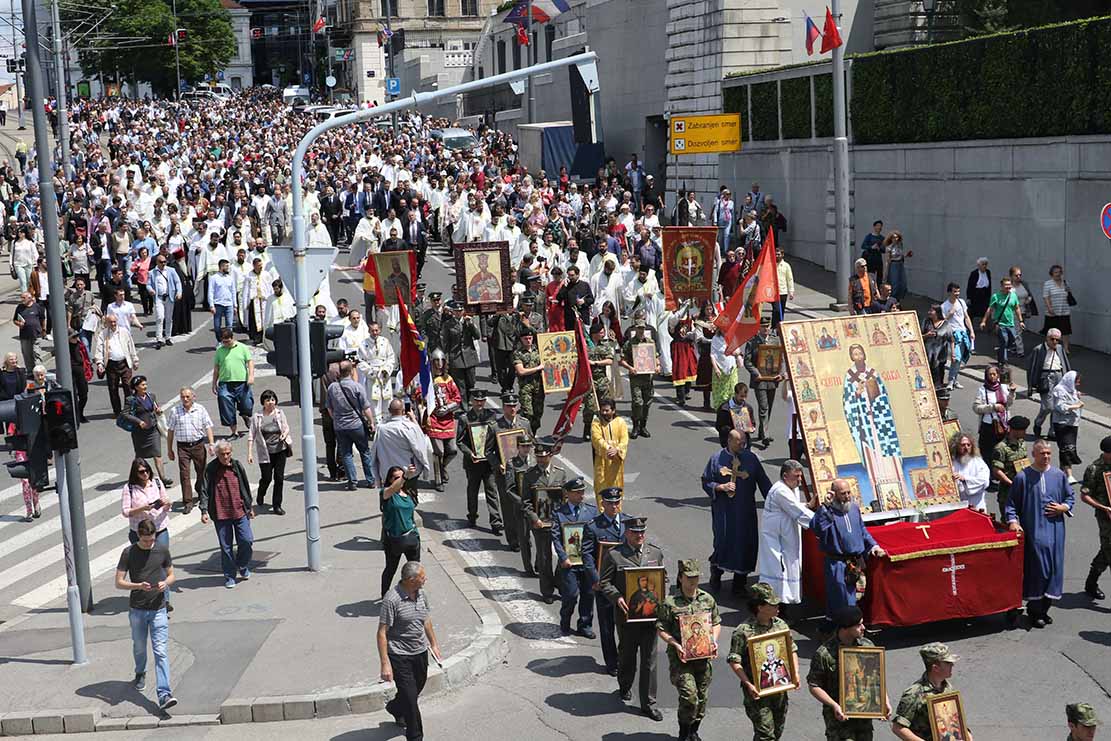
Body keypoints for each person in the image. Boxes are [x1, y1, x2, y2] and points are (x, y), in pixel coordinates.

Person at [597, 514, 664, 718]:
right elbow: (604, 582)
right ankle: (625, 686)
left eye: (642, 532)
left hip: (650, 618)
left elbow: (662, 581)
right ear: (626, 533)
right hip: (626, 618)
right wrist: (617, 597)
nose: (639, 536)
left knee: (649, 661)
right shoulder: (614, 555)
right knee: (627, 657)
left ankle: (648, 703)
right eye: (635, 533)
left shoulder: (655, 553)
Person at [1005, 438, 1074, 629]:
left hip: (1057, 531)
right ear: (1033, 455)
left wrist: (1063, 507)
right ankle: (1035, 612)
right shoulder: (1023, 477)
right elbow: (1011, 504)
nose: (1046, 457)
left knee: (1054, 569)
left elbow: (1070, 496)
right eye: (1042, 453)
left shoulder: (1059, 475)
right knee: (1038, 569)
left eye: (1048, 453)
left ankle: (1044, 609)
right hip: (1034, 531)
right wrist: (1013, 521)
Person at [115, 519, 177, 712]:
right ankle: (140, 672)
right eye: (145, 541)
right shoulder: (129, 553)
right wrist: (137, 586)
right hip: (138, 609)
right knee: (140, 646)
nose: (149, 544)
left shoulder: (161, 550)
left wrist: (165, 583)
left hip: (158, 608)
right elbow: (118, 582)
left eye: (151, 540)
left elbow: (172, 574)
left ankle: (164, 694)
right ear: (138, 536)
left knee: (160, 651)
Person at [656, 559, 721, 741]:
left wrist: (713, 642)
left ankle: (694, 731)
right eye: (689, 577)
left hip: (702, 657)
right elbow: (661, 628)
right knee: (689, 696)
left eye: (696, 577)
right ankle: (683, 734)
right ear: (680, 578)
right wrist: (676, 645)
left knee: (702, 698)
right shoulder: (670, 603)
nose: (693, 581)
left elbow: (716, 623)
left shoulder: (707, 600)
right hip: (681, 659)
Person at [702, 429, 773, 594]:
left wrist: (777, 500)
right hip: (724, 512)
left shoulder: (751, 459)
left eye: (744, 442)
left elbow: (764, 483)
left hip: (745, 511)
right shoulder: (716, 459)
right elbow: (706, 481)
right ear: (729, 441)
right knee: (723, 542)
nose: (743, 445)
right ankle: (716, 574)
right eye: (739, 443)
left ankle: (739, 584)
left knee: (746, 544)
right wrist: (720, 487)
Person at [378, 561, 443, 740]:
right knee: (412, 702)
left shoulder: (421, 594)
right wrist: (385, 664)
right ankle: (415, 737)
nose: (426, 579)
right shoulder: (392, 600)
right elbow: (382, 633)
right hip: (399, 655)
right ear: (410, 580)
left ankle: (395, 708)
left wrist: (434, 644)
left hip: (420, 652)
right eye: (422, 577)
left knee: (415, 689)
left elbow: (426, 619)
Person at [728, 582, 799, 741]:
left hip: (779, 689)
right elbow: (734, 660)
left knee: (777, 730)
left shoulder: (781, 625)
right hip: (757, 691)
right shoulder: (743, 631)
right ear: (760, 607)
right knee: (766, 734)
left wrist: (795, 673)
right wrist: (748, 683)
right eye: (772, 604)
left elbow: (791, 649)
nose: (777, 607)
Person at [807, 605, 890, 740]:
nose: (863, 628)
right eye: (858, 625)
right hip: (838, 720)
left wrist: (884, 701)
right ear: (845, 628)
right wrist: (834, 705)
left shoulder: (867, 646)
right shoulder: (824, 653)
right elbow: (814, 686)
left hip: (864, 718)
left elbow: (876, 678)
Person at [811, 479, 887, 621]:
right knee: (842, 602)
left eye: (848, 492)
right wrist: (825, 506)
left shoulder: (853, 508)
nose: (847, 496)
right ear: (834, 494)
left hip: (856, 563)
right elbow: (817, 528)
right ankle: (842, 634)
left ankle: (852, 631)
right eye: (842, 494)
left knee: (855, 600)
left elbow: (862, 531)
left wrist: (874, 546)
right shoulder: (828, 512)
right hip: (838, 565)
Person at [757, 460, 819, 609]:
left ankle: (782, 607)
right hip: (777, 538)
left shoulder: (790, 488)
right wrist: (823, 522)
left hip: (786, 535)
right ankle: (778, 609)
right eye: (796, 476)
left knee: (787, 569)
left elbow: (795, 506)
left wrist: (809, 505)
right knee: (780, 570)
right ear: (785, 476)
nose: (799, 480)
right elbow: (797, 511)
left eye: (800, 476)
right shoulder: (780, 490)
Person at [199, 441, 255, 589]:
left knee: (247, 540)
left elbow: (245, 486)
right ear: (217, 454)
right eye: (222, 454)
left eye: (228, 453)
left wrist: (249, 506)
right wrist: (204, 510)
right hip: (220, 513)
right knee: (226, 547)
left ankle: (242, 565)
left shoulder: (236, 465)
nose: (225, 456)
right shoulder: (211, 469)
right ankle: (230, 575)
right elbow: (204, 490)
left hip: (240, 510)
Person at [119, 458, 172, 610]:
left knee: (161, 563)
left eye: (147, 470)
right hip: (140, 532)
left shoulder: (156, 482)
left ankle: (164, 600)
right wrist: (142, 508)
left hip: (159, 528)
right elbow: (125, 511)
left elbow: (166, 501)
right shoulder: (129, 488)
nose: (145, 474)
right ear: (135, 473)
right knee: (144, 566)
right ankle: (145, 594)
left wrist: (167, 503)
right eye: (142, 472)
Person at [583, 486, 625, 675]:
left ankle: (626, 658)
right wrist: (596, 579)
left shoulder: (628, 523)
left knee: (626, 625)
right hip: (603, 584)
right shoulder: (593, 526)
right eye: (610, 503)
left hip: (625, 583)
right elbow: (587, 556)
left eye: (617, 502)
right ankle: (612, 662)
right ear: (603, 504)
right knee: (607, 626)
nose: (614, 506)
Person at [891, 643, 970, 741]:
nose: (952, 665)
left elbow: (954, 720)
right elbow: (898, 728)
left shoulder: (948, 688)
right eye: (948, 663)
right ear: (935, 668)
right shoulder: (914, 693)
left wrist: (967, 735)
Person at [520, 437, 566, 602]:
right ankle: (547, 591)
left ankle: (559, 582)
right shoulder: (530, 475)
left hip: (558, 522)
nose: (540, 460)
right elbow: (525, 502)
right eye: (538, 456)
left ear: (550, 456)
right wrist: (534, 518)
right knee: (544, 558)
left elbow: (565, 499)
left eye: (543, 457)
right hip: (540, 524)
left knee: (565, 555)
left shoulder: (560, 473)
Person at [552, 477, 598, 638]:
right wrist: (563, 557)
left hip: (587, 563)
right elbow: (556, 538)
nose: (581, 495)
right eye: (577, 492)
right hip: (569, 564)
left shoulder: (592, 511)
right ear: (568, 493)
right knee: (571, 595)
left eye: (582, 492)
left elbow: (597, 537)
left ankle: (584, 625)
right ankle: (565, 620)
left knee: (588, 594)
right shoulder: (559, 513)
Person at [325, 360, 377, 490]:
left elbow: (329, 408)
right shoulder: (357, 387)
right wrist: (371, 422)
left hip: (340, 427)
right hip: (356, 425)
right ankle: (370, 480)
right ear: (351, 371)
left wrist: (336, 419)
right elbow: (366, 408)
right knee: (365, 452)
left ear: (339, 372)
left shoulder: (332, 388)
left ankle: (352, 482)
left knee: (346, 454)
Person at [165, 387, 215, 514]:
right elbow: (170, 431)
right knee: (184, 474)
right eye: (183, 397)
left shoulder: (200, 409)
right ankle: (187, 501)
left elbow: (208, 426)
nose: (185, 399)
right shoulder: (175, 411)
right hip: (183, 447)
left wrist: (211, 444)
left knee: (202, 472)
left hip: (198, 445)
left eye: (187, 396)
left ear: (193, 397)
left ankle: (202, 492)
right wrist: (169, 449)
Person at [456, 389, 500, 531]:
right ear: (472, 402)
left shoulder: (492, 415)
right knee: (472, 491)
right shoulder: (465, 418)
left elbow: (497, 437)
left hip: (488, 461)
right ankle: (472, 516)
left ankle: (496, 521)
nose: (479, 403)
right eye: (476, 400)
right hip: (473, 462)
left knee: (492, 491)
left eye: (482, 401)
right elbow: (460, 441)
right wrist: (470, 454)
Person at [372, 398, 432, 501]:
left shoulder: (381, 429)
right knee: (409, 501)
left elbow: (374, 455)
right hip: (408, 473)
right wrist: (426, 468)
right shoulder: (409, 427)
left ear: (389, 410)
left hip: (388, 474)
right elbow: (420, 447)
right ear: (403, 411)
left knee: (390, 502)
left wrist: (377, 477)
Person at [247, 389, 293, 515]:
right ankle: (261, 493)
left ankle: (277, 505)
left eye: (273, 400)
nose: (271, 402)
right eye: (268, 400)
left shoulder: (279, 413)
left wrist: (284, 434)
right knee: (266, 478)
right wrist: (250, 453)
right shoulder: (257, 417)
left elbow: (286, 426)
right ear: (263, 402)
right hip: (265, 454)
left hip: (280, 451)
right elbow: (251, 435)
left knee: (279, 478)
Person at [121, 376, 173, 486]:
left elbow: (155, 408)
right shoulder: (131, 400)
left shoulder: (151, 396)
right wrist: (138, 421)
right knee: (140, 457)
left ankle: (163, 478)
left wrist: (158, 411)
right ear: (136, 387)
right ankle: (136, 477)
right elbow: (125, 414)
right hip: (139, 433)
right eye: (143, 385)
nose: (145, 386)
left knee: (157, 454)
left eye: (145, 384)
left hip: (153, 430)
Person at [380, 465, 421, 597]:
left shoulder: (408, 493)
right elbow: (392, 489)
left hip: (411, 538)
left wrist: (416, 533)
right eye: (397, 478)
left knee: (415, 570)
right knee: (391, 569)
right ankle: (385, 596)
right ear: (391, 480)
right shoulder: (386, 493)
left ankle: (415, 595)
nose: (402, 480)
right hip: (394, 540)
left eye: (402, 476)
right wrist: (404, 476)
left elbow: (411, 515)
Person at [621, 308, 659, 439]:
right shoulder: (629, 343)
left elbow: (656, 357)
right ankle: (636, 426)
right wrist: (630, 367)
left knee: (647, 402)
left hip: (648, 377)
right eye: (638, 328)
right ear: (635, 328)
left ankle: (643, 426)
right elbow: (622, 360)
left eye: (642, 328)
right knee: (638, 402)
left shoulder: (650, 343)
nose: (641, 331)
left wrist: (657, 366)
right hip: (636, 377)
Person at [1080, 436, 1111, 601]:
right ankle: (1091, 582)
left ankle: (1091, 582)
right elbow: (1084, 496)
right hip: (1106, 517)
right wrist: (1103, 507)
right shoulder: (1094, 469)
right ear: (1107, 453)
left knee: (1107, 550)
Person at [93, 313, 139, 417]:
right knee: (113, 388)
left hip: (124, 363)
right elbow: (99, 350)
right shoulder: (103, 334)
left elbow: (131, 346)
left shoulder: (124, 332)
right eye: (111, 322)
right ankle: (117, 411)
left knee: (128, 386)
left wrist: (135, 360)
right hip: (111, 365)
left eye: (114, 322)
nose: (113, 324)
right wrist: (100, 363)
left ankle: (129, 410)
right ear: (107, 323)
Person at [744, 318, 781, 448]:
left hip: (772, 380)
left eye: (767, 326)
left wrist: (780, 374)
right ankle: (765, 434)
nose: (766, 329)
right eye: (763, 327)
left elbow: (780, 359)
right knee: (763, 407)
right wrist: (756, 373)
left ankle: (762, 430)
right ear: (758, 328)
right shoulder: (752, 342)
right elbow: (747, 361)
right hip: (759, 380)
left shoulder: (775, 340)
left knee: (769, 407)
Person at [426, 350, 460, 492]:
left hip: (447, 419)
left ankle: (443, 467)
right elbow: (420, 397)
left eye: (441, 361)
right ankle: (438, 480)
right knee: (439, 452)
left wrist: (447, 408)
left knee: (452, 450)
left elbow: (457, 398)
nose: (439, 365)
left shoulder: (448, 379)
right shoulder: (426, 379)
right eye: (436, 362)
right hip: (433, 420)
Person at [211, 328, 255, 438]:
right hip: (225, 383)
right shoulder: (220, 351)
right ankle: (234, 431)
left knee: (246, 404)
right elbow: (216, 368)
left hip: (242, 382)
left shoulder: (242, 348)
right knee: (226, 405)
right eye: (223, 342)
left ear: (232, 338)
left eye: (227, 341)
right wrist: (214, 383)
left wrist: (250, 376)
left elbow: (250, 362)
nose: (225, 344)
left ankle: (245, 415)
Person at [1027, 328, 1070, 439]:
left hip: (1059, 376)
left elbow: (1065, 363)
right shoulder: (1038, 349)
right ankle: (1038, 423)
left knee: (1057, 406)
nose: (1055, 342)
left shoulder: (1060, 348)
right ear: (1047, 338)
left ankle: (1052, 431)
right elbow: (1031, 368)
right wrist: (1031, 386)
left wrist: (1069, 382)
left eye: (1057, 340)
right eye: (1052, 339)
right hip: (1045, 377)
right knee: (1048, 406)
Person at [974, 364, 1016, 467]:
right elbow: (976, 408)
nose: (992, 376)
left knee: (1002, 452)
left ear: (998, 375)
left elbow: (1009, 404)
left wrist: (1012, 392)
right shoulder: (982, 390)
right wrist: (993, 407)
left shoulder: (1003, 387)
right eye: (990, 374)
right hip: (988, 426)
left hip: (1003, 425)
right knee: (987, 453)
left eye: (994, 374)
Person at [357, 320, 397, 424]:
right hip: (373, 377)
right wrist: (371, 372)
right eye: (372, 331)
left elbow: (391, 358)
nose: (375, 333)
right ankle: (376, 425)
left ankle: (388, 423)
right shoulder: (364, 344)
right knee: (374, 401)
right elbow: (361, 361)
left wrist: (386, 370)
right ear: (369, 331)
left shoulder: (385, 342)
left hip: (384, 376)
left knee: (387, 399)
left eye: (376, 330)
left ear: (379, 330)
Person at [440, 300, 480, 404]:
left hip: (469, 356)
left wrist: (470, 324)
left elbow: (477, 336)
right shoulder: (448, 324)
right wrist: (447, 360)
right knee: (460, 385)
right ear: (453, 312)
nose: (458, 312)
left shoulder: (468, 322)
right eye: (456, 311)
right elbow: (445, 343)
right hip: (456, 358)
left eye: (460, 310)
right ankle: (464, 407)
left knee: (471, 383)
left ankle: (470, 401)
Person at [591, 398, 628, 506]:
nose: (604, 413)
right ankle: (602, 513)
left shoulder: (620, 422)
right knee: (601, 487)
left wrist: (617, 449)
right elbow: (597, 439)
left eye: (607, 410)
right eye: (602, 410)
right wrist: (608, 448)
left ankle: (616, 513)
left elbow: (624, 440)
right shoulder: (596, 423)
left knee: (616, 489)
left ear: (613, 410)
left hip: (616, 462)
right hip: (601, 462)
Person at [979, 277, 1024, 365]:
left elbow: (1017, 308)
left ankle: (1001, 352)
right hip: (1000, 323)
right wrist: (983, 321)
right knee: (1004, 340)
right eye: (1006, 285)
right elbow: (990, 309)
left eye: (1009, 285)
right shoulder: (996, 296)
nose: (1008, 287)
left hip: (1010, 323)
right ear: (1001, 286)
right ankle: (1004, 361)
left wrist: (1021, 321)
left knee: (1013, 339)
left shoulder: (1013, 295)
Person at [1051, 370, 1084, 483]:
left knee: (1067, 448)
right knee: (1067, 448)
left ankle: (1061, 473)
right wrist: (1076, 405)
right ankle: (1069, 474)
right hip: (1062, 424)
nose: (1077, 385)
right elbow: (1060, 407)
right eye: (1076, 382)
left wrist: (1077, 396)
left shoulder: (1072, 390)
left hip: (1073, 423)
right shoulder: (1059, 390)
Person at [940, 282, 975, 389]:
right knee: (956, 358)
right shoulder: (944, 306)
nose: (957, 294)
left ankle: (955, 379)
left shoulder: (961, 302)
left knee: (962, 357)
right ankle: (951, 380)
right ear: (949, 292)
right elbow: (942, 323)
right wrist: (950, 314)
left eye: (958, 291)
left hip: (963, 332)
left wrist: (972, 331)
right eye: (955, 291)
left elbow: (966, 317)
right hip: (953, 334)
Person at [514, 330, 545, 436]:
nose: (528, 340)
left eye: (530, 338)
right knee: (528, 413)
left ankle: (532, 434)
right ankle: (525, 436)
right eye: (525, 339)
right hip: (526, 387)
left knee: (538, 413)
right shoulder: (518, 353)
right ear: (521, 340)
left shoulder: (539, 351)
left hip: (539, 386)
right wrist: (538, 368)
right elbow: (521, 371)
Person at [950, 433, 990, 513]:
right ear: (957, 446)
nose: (966, 447)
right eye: (963, 445)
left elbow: (984, 481)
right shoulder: (951, 463)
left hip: (976, 505)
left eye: (968, 445)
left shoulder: (978, 462)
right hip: (957, 505)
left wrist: (965, 479)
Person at [149, 253, 182, 349]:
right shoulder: (152, 272)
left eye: (165, 262)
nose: (163, 263)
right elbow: (148, 284)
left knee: (168, 318)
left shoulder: (171, 270)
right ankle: (159, 338)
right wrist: (150, 290)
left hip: (169, 297)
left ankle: (168, 337)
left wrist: (179, 292)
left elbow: (177, 282)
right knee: (160, 317)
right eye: (161, 262)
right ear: (157, 262)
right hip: (159, 297)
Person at [1043, 264, 1074, 354]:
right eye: (1056, 272)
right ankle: (1050, 347)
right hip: (1052, 311)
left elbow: (1068, 294)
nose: (1058, 274)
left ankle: (1065, 348)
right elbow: (1046, 297)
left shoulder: (1065, 282)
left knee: (1065, 331)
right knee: (1051, 331)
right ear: (1051, 274)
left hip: (1064, 310)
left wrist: (1069, 290)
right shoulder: (1048, 284)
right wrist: (1049, 308)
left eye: (1059, 272)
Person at [13, 291, 47, 372]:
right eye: (21, 298)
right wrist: (19, 323)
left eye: (24, 298)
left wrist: (44, 330)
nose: (22, 300)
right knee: (27, 354)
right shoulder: (19, 307)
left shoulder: (37, 307)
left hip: (36, 334)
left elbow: (43, 319)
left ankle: (39, 372)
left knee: (36, 353)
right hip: (24, 335)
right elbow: (14, 320)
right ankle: (30, 372)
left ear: (30, 298)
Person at [715, 381, 756, 448]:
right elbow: (719, 426)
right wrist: (732, 430)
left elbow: (753, 423)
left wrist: (752, 428)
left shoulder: (748, 408)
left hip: (744, 443)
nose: (744, 399)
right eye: (741, 396)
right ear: (735, 394)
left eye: (745, 396)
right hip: (729, 443)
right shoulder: (724, 409)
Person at [208, 258, 238, 342]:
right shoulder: (213, 278)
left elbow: (233, 291)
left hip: (229, 304)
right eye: (226, 266)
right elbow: (210, 292)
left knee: (229, 325)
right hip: (218, 304)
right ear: (221, 267)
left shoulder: (230, 278)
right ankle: (220, 341)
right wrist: (211, 305)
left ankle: (229, 341)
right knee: (217, 326)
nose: (228, 268)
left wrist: (235, 305)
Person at [966, 257, 992, 328]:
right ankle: (970, 327)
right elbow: (970, 286)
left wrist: (989, 297)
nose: (985, 266)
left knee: (986, 311)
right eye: (983, 264)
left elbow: (989, 286)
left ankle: (986, 326)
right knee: (972, 312)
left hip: (985, 295)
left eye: (986, 264)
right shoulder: (974, 273)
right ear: (979, 265)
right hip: (976, 295)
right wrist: (969, 297)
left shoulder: (988, 272)